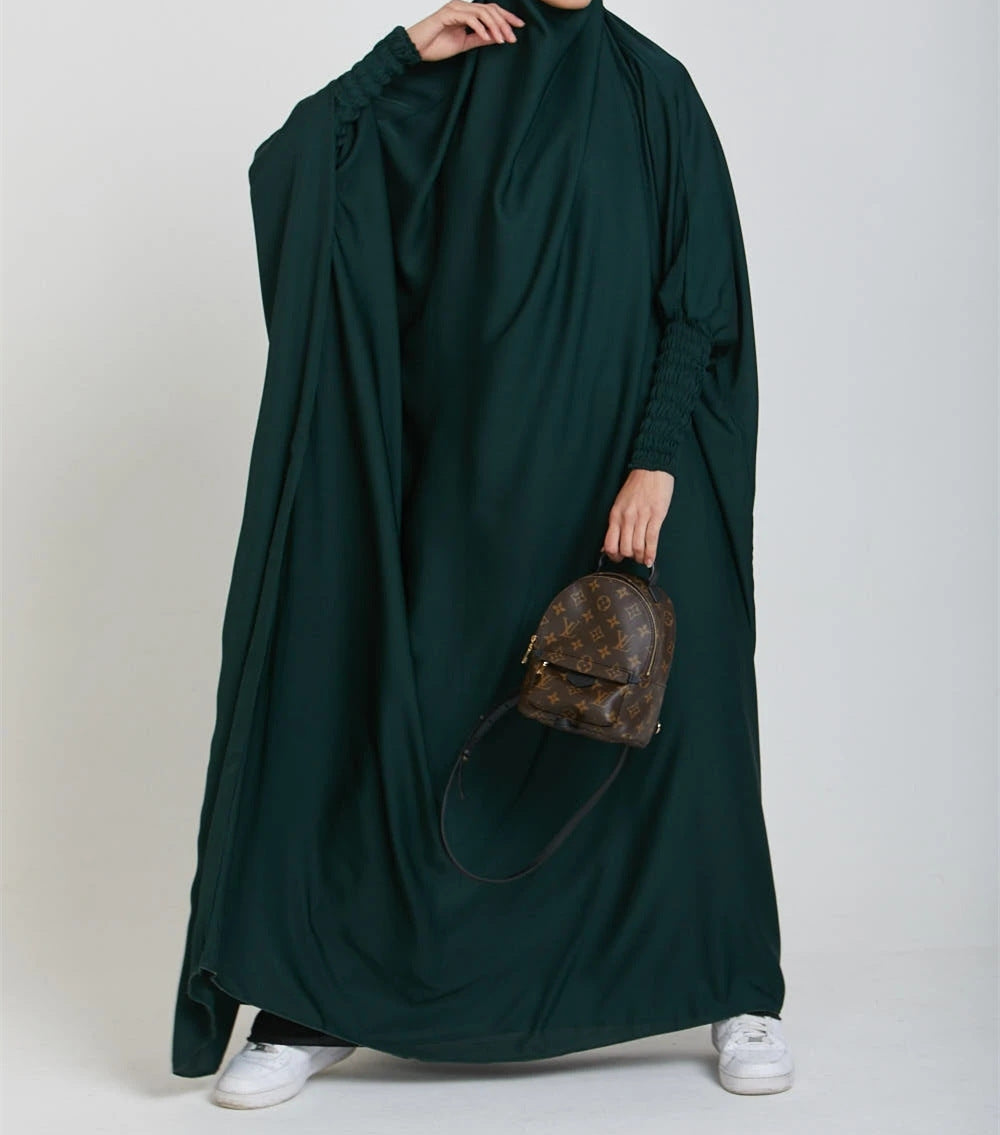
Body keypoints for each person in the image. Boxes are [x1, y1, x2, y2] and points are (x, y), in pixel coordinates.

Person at [172, 0, 795, 1109]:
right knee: (418, 720)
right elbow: (300, 170)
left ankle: (730, 981)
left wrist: (656, 459)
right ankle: (324, 1000)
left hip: (621, 486)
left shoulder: (653, 89)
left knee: (670, 729)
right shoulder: (452, 75)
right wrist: (397, 55)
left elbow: (696, 297)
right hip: (463, 488)